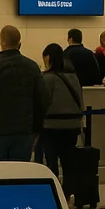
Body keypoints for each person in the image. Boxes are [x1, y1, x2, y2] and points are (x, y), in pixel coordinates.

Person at [0, 26, 48, 162]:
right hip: (24, 132)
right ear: (20, 44)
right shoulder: (32, 67)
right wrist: (36, 129)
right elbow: (42, 100)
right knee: (18, 172)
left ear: (1, 42)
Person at [40, 44, 84, 178]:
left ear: (48, 58)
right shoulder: (74, 77)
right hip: (72, 125)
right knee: (68, 162)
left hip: (51, 126)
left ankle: (55, 186)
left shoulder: (47, 78)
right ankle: (69, 187)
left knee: (51, 162)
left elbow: (42, 102)